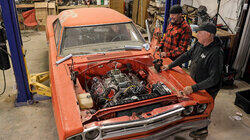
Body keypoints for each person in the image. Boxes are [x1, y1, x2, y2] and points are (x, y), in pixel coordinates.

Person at [162, 22, 224, 137]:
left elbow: (214, 79)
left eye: (200, 32)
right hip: (196, 81)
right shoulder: (199, 44)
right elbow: (187, 55)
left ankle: (202, 129)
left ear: (209, 35)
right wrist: (171, 65)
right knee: (194, 103)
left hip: (208, 86)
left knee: (203, 107)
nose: (197, 34)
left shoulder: (216, 53)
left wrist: (193, 88)